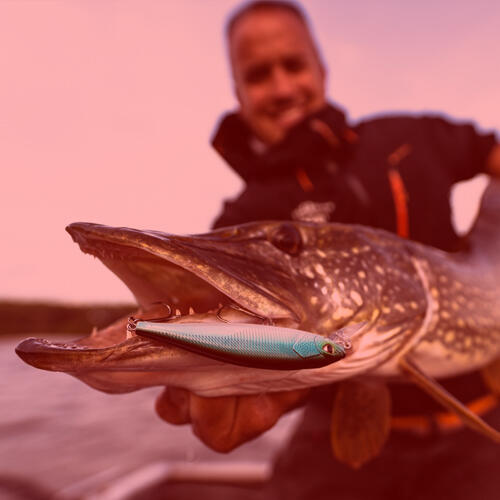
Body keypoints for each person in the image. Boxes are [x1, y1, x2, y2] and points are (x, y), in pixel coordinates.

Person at [155, 2, 500, 498]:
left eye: (293, 66)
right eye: (258, 75)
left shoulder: (408, 137)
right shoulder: (246, 216)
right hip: (336, 432)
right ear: (238, 95)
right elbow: (220, 327)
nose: (281, 88)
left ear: (321, 70)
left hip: (479, 426)